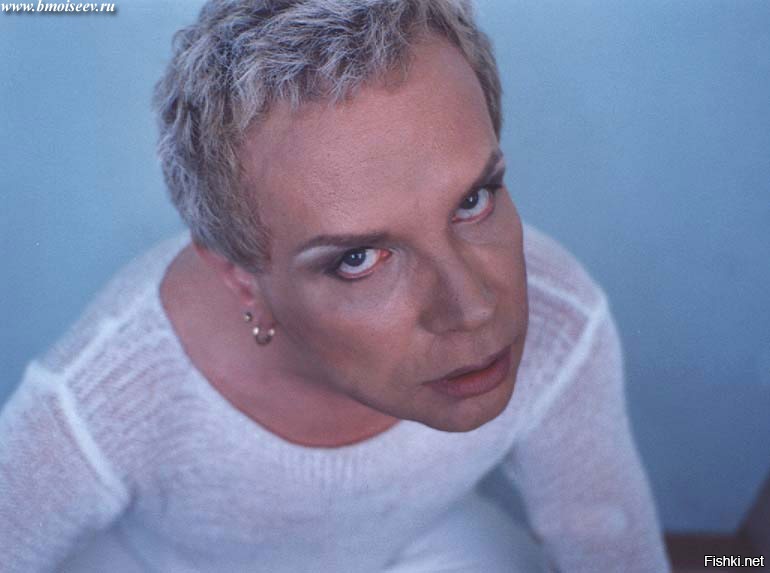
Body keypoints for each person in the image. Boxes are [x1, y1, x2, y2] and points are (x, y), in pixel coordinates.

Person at [0, 1, 671, 571]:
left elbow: (610, 544)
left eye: (473, 200)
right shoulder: (100, 395)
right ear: (241, 280)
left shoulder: (562, 315)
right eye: (357, 258)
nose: (473, 309)